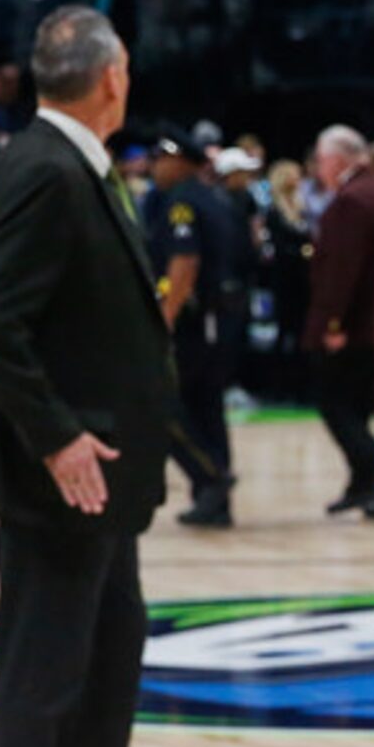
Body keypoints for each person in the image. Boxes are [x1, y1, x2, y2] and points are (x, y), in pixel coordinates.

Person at [0, 7, 182, 747]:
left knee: (110, 652)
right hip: (64, 475)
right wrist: (54, 436)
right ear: (112, 78)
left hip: (105, 475)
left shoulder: (68, 164)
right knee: (44, 667)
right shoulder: (45, 171)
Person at [301, 124, 374, 517]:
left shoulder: (351, 203)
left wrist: (332, 325)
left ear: (338, 159)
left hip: (356, 328)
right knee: (359, 406)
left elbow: (342, 272)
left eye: (321, 160)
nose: (318, 168)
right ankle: (363, 482)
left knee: (336, 405)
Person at [144, 131, 239, 526]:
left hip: (194, 322)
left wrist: (163, 319)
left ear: (183, 161)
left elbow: (185, 264)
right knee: (206, 407)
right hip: (222, 319)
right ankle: (214, 499)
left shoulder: (181, 202)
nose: (155, 166)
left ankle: (212, 477)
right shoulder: (215, 197)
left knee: (162, 406)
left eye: (162, 158)